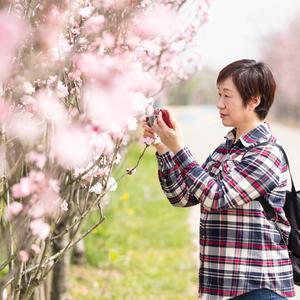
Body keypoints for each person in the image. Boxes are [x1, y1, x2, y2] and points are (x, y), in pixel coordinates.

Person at [142, 59, 295, 300]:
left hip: (257, 287)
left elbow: (217, 196)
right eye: (219, 94)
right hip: (220, 287)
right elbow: (181, 196)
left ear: (254, 100)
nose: (219, 104)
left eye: (227, 96)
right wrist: (163, 148)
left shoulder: (267, 153)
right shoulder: (224, 150)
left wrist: (180, 149)